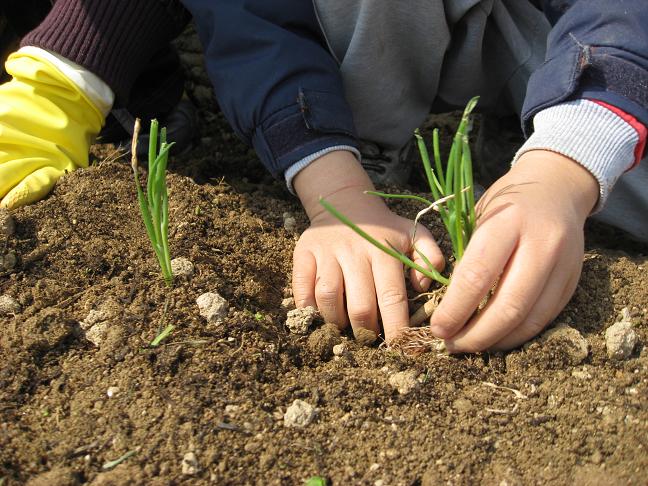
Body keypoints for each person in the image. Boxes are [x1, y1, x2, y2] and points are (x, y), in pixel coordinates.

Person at [2, 1, 646, 353]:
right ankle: (358, 143)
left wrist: (566, 166)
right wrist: (337, 192)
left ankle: (533, 132)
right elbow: (254, 25)